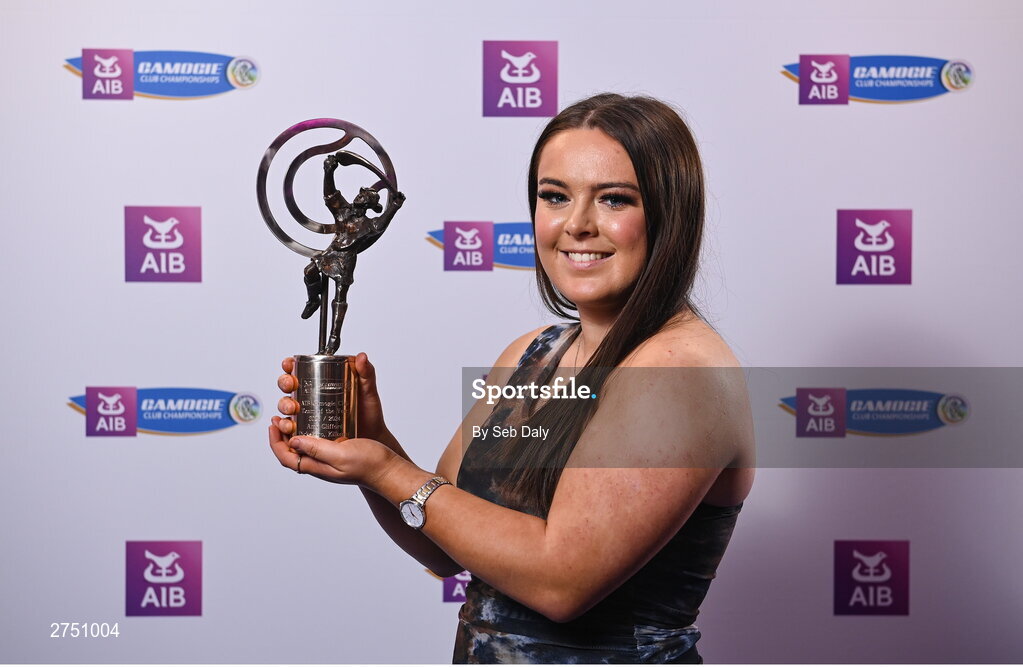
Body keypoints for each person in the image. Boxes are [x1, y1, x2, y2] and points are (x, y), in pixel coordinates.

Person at [269, 93, 755, 663]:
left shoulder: (680, 371)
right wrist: (375, 450)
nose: (577, 225)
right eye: (555, 196)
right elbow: (444, 544)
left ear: (670, 214)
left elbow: (561, 582)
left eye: (614, 199)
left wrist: (390, 471)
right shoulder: (533, 353)